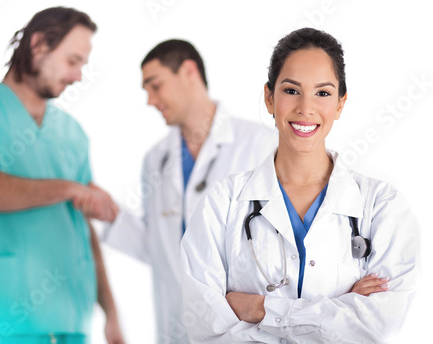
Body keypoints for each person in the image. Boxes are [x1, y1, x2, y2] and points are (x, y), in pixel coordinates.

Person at [180, 28, 420, 343]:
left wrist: (261, 309)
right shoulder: (224, 202)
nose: (306, 108)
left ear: (340, 103)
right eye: (291, 90)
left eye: (322, 93)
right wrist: (338, 308)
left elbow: (377, 324)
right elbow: (204, 324)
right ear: (269, 97)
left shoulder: (382, 205)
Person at [0, 7, 123, 344]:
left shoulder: (72, 133)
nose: (78, 77)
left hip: (71, 320)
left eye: (83, 65)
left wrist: (111, 314)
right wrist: (69, 188)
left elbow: (83, 229)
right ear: (39, 45)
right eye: (73, 61)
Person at [100, 39, 278, 343]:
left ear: (188, 71)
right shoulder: (156, 160)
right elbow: (163, 250)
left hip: (244, 329)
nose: (149, 100)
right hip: (176, 327)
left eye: (155, 86)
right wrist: (111, 215)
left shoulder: (260, 144)